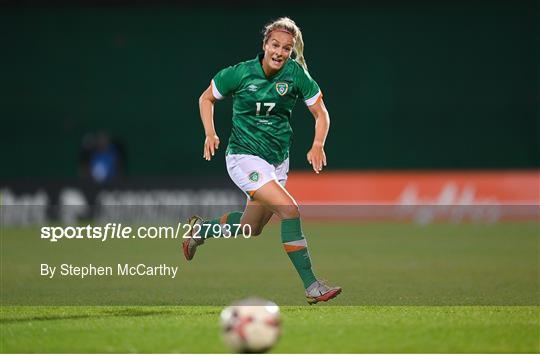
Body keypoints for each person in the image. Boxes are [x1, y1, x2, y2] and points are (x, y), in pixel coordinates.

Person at [183, 17, 342, 304]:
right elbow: (206, 98)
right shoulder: (240, 73)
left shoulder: (295, 74)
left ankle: (200, 229)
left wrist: (318, 143)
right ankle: (312, 286)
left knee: (250, 228)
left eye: (286, 48)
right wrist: (210, 132)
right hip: (244, 157)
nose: (280, 52)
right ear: (265, 45)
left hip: (277, 162)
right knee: (290, 210)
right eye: (275, 45)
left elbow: (321, 113)